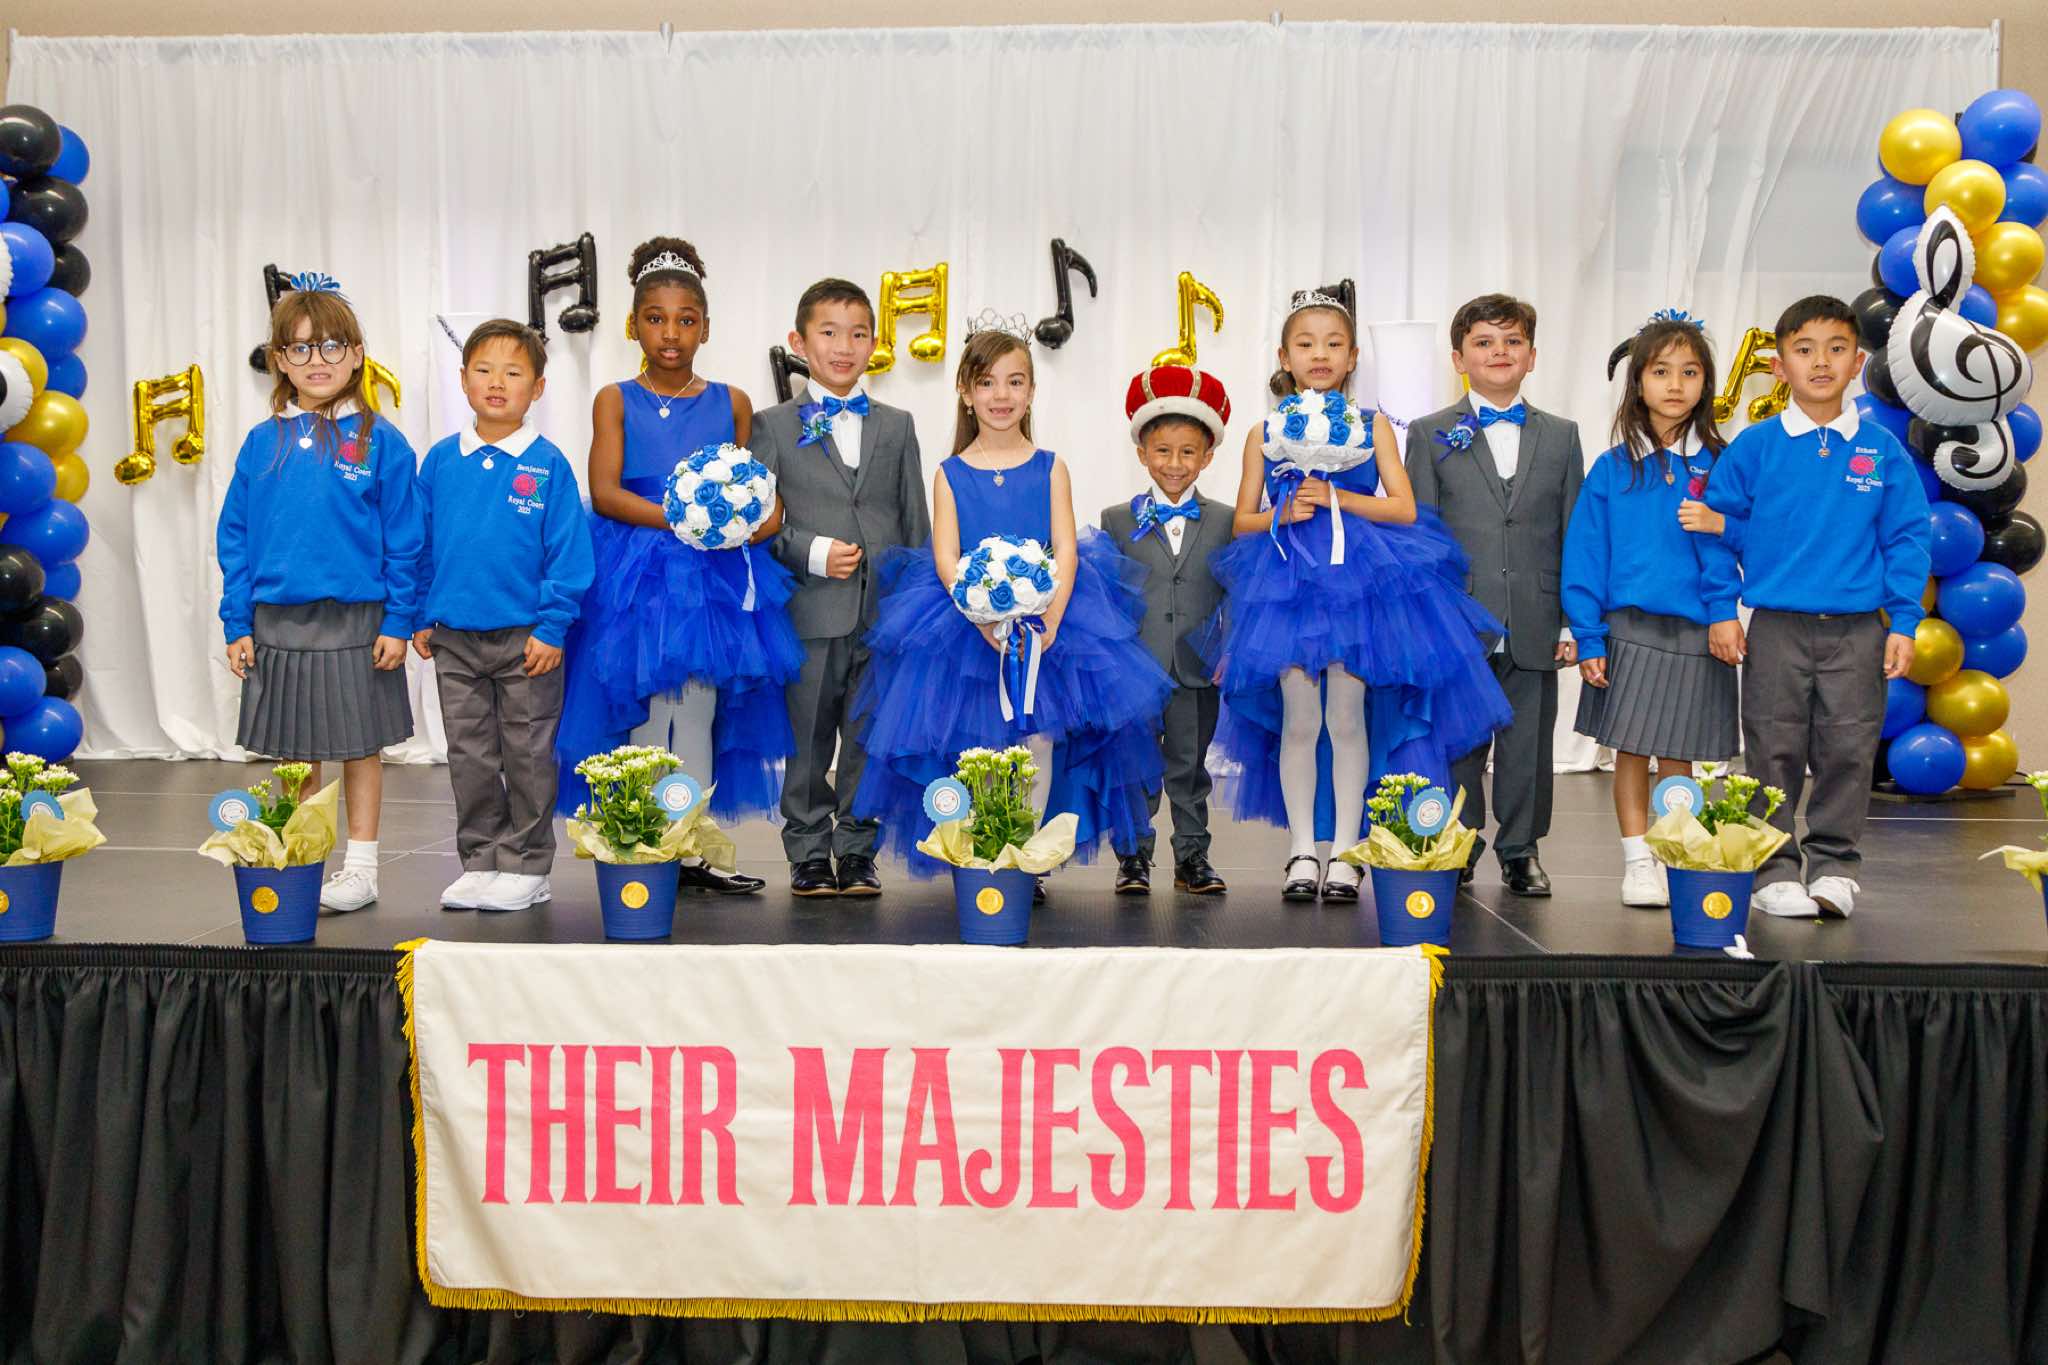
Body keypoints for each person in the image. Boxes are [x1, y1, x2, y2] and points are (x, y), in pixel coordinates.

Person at [1204, 292, 1510, 902]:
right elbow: (1241, 521)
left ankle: (1348, 851)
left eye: (1333, 343)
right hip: (1288, 589)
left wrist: (1337, 497)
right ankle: (1301, 850)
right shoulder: (1263, 432)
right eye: (1305, 344)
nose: (1319, 354)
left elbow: (1403, 507)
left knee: (1346, 719)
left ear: (1352, 358)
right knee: (1299, 721)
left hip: (1359, 588)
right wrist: (1283, 514)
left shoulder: (1373, 426)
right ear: (1284, 357)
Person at [850, 323, 1171, 888]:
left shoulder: (1050, 466)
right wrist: (980, 615)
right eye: (987, 382)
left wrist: (1051, 618)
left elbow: (1065, 548)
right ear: (965, 393)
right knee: (977, 742)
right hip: (964, 625)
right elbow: (947, 556)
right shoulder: (949, 473)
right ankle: (985, 851)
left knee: (1038, 736)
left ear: (1031, 392)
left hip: (1049, 622)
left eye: (1015, 382)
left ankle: (1026, 857)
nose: (1001, 395)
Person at [553, 236, 802, 895]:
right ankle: (638, 836)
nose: (671, 333)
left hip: (710, 577)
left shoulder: (732, 401)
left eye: (686, 319)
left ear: (706, 328)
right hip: (634, 568)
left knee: (696, 709)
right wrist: (686, 519)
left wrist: (754, 519)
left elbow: (758, 493)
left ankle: (688, 842)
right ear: (633, 324)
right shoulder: (614, 398)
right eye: (656, 318)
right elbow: (605, 490)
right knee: (639, 706)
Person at [1699, 294, 1931, 919]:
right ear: (1780, 367)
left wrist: (1904, 621)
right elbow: (1713, 529)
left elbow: (1907, 539)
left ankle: (1834, 866)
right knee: (1770, 750)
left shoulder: (1882, 450)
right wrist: (1721, 609)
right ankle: (1773, 868)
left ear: (1857, 362)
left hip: (1858, 630)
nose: (1821, 362)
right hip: (1777, 627)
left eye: (1836, 349)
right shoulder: (1755, 447)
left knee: (1848, 751)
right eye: (1804, 350)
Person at [216, 277, 421, 912]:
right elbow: (235, 538)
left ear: (357, 354)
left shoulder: (381, 441)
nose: (317, 361)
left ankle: (361, 869)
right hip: (277, 621)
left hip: (358, 620)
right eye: (300, 349)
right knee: (295, 751)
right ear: (279, 360)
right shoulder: (262, 442)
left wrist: (399, 619)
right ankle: (304, 857)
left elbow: (407, 540)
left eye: (332, 346)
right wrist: (237, 621)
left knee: (360, 746)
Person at [751, 279, 929, 899]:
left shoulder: (898, 425)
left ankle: (856, 850)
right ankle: (806, 850)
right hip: (809, 610)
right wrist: (810, 551)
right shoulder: (772, 426)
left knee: (867, 737)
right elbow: (755, 523)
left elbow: (914, 520)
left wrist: (913, 610)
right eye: (828, 333)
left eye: (857, 334)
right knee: (806, 739)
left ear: (874, 344)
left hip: (881, 614)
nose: (844, 347)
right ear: (799, 343)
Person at [1406, 293, 1585, 897]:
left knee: (1528, 742)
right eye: (1484, 342)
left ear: (1532, 356)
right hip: (1459, 617)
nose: (1499, 352)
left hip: (1537, 614)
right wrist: (1428, 618)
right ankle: (1457, 841)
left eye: (1512, 342)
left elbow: (1573, 533)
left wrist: (1571, 621)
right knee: (1457, 739)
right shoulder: (1430, 433)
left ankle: (1521, 849)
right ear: (1460, 359)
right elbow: (1422, 533)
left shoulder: (1562, 436)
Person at [1561, 311, 1742, 908]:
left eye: (1690, 372)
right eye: (1661, 371)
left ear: (1705, 384)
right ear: (1638, 382)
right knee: (1632, 748)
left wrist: (1723, 611)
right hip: (1629, 629)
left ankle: (1675, 850)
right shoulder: (1613, 469)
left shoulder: (1721, 463)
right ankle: (1638, 861)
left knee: (1679, 752)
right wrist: (1589, 635)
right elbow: (1586, 556)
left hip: (1697, 630)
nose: (1675, 384)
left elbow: (1734, 547)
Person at [413, 319, 593, 912]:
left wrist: (552, 626)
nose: (497, 383)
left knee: (529, 754)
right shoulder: (441, 461)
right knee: (469, 754)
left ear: (537, 388)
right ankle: (481, 858)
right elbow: (420, 542)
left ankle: (527, 865)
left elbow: (569, 555)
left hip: (526, 641)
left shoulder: (547, 464)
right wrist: (420, 612)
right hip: (454, 638)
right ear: (463, 380)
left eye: (513, 373)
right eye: (484, 371)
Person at [1101, 364, 1234, 896]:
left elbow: (1236, 593)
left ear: (1207, 456)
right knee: (1135, 765)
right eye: (1162, 451)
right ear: (1141, 454)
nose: (1174, 464)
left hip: (1198, 667)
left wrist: (1230, 649)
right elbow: (1109, 595)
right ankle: (1133, 855)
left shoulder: (1226, 520)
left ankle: (1192, 856)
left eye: (1187, 452)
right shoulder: (1116, 519)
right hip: (1137, 666)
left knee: (1189, 765)